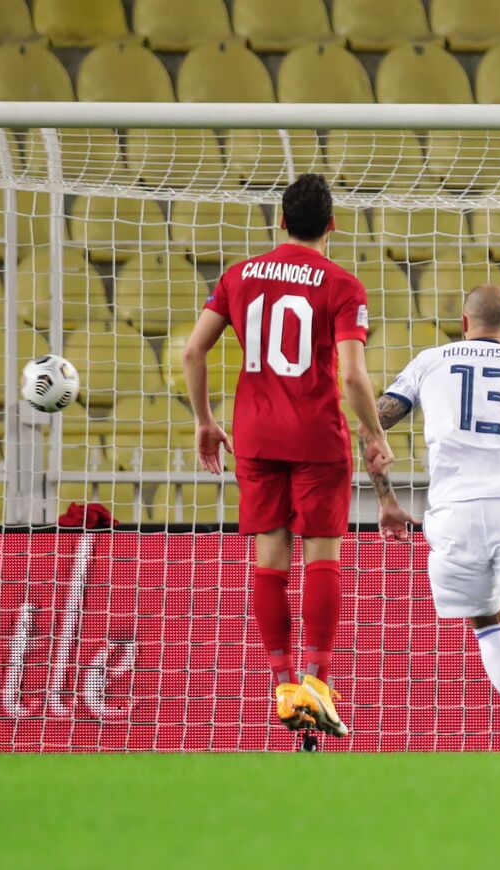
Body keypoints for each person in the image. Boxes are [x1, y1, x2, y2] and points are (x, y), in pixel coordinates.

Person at [182, 173, 407, 739]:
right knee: (322, 556)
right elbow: (352, 375)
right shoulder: (343, 285)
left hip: (256, 436)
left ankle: (283, 684)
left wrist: (205, 421)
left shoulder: (239, 276)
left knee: (271, 559)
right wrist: (373, 432)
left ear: (281, 221)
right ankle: (317, 683)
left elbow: (192, 350)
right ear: (332, 225)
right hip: (316, 436)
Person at [375, 285, 500, 753]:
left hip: (454, 512)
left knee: (487, 624)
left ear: (463, 321)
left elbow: (373, 422)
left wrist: (386, 498)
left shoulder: (429, 361)